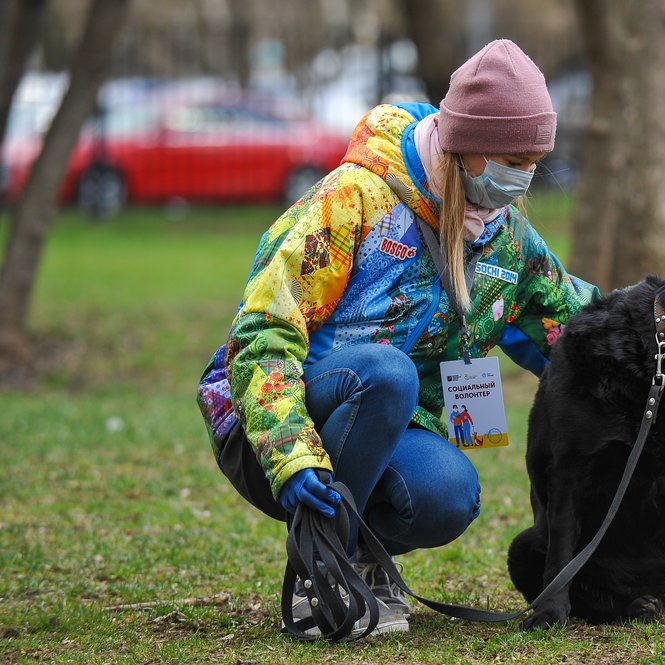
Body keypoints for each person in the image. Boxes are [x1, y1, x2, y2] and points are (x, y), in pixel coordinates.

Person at [196, 38, 598, 640]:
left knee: (449, 493)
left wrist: (663, 346)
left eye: (534, 160)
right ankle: (318, 569)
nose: (525, 177)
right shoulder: (353, 200)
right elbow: (263, 331)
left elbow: (575, 324)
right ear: (468, 149)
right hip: (273, 428)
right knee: (388, 373)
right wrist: (290, 452)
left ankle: (360, 560)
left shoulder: (504, 236)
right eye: (513, 158)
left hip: (391, 425)